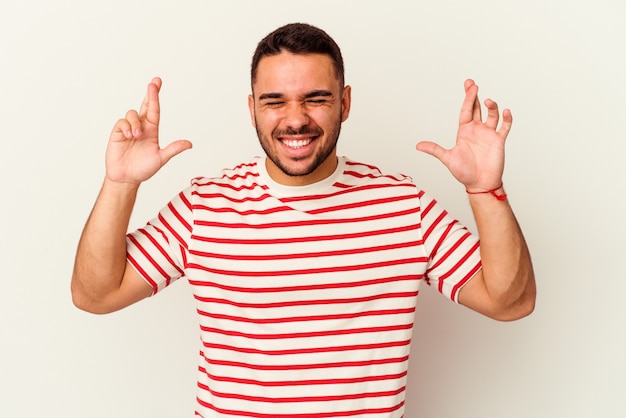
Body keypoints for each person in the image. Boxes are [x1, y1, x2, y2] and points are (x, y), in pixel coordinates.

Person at [72, 22, 535, 418]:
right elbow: (95, 294)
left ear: (345, 102)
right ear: (251, 107)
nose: (296, 120)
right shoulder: (203, 207)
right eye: (275, 101)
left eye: (315, 98)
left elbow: (510, 302)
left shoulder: (403, 206)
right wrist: (120, 184)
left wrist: (485, 191)